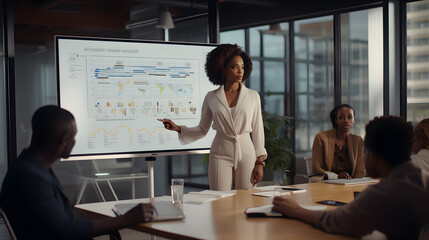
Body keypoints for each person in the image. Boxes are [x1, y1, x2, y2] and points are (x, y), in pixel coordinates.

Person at [0, 105, 156, 240]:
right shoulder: (30, 178)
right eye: (74, 136)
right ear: (64, 140)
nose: (75, 142)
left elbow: (59, 223)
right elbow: (64, 232)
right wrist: (126, 219)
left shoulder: (30, 167)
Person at [273, 116, 429, 239]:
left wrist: (297, 210)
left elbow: (335, 221)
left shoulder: (383, 193)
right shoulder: (421, 177)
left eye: (364, 152)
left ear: (373, 156)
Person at [158, 44, 267, 191]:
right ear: (223, 68)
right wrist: (178, 128)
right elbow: (203, 129)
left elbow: (258, 130)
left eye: (242, 66)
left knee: (246, 199)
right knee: (219, 199)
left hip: (246, 151)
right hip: (220, 152)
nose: (240, 71)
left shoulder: (253, 96)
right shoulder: (212, 97)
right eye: (235, 67)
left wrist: (259, 162)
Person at [312, 104, 365, 180]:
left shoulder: (358, 141)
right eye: (341, 117)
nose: (346, 121)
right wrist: (336, 177)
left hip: (350, 185)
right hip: (327, 184)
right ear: (336, 120)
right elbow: (316, 168)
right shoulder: (321, 138)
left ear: (354, 119)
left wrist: (352, 185)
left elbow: (360, 171)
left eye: (349, 117)